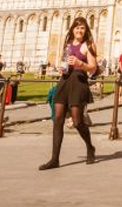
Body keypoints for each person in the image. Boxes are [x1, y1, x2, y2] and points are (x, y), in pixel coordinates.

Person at [39, 16, 98, 170]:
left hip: (78, 83)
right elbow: (65, 62)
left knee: (78, 121)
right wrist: (61, 68)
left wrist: (81, 64)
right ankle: (54, 159)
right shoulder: (68, 45)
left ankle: (90, 147)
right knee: (58, 118)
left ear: (86, 31)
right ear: (73, 29)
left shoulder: (88, 45)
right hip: (64, 81)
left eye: (82, 28)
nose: (79, 30)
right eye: (77, 27)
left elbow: (93, 67)